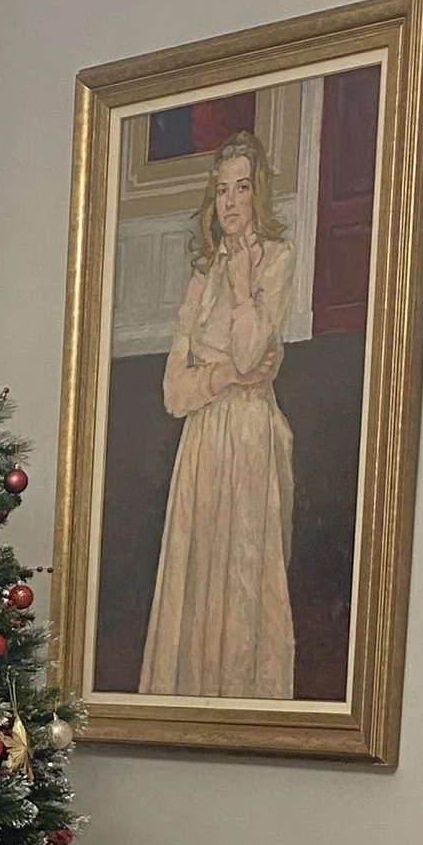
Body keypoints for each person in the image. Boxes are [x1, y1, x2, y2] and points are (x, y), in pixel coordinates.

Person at [138, 130, 297, 697]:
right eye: (222, 189)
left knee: (244, 576)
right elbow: (174, 392)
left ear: (260, 194)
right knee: (196, 571)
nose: (230, 202)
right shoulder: (202, 275)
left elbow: (256, 350)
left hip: (252, 433)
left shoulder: (275, 260)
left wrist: (242, 286)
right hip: (203, 439)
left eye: (243, 188)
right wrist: (225, 374)